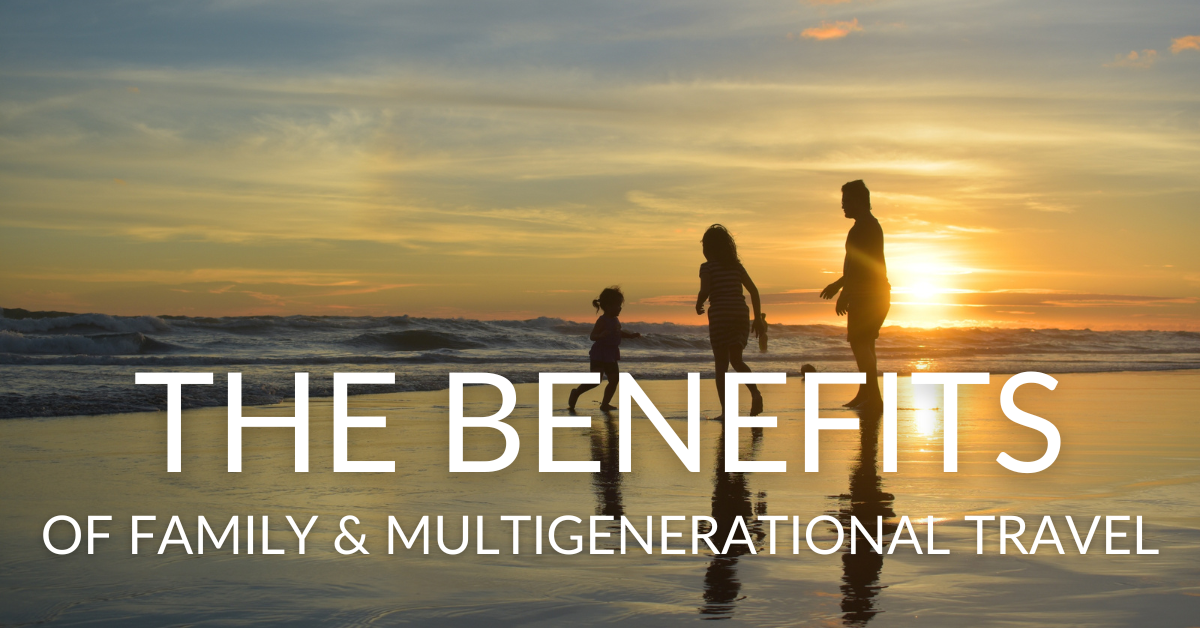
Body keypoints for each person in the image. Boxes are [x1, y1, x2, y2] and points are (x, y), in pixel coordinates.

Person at [820, 180, 891, 411]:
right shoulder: (867, 226)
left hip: (868, 295)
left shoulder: (864, 228)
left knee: (860, 344)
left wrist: (843, 291)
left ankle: (874, 398)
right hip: (875, 294)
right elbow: (855, 265)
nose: (843, 206)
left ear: (860, 201)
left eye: (846, 201)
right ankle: (867, 393)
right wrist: (841, 286)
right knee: (866, 344)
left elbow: (859, 267)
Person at [695, 224, 766, 420]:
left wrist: (699, 303)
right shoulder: (736, 266)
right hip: (739, 314)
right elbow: (754, 291)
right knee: (737, 360)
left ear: (708, 249)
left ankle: (727, 412)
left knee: (721, 365)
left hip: (720, 316)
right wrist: (758, 318)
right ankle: (755, 393)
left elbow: (705, 290)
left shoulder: (707, 267)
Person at [569, 286, 641, 412]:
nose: (620, 308)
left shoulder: (615, 320)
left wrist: (630, 336)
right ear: (608, 307)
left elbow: (618, 332)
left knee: (614, 379)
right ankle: (576, 392)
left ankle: (605, 404)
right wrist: (600, 335)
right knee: (596, 380)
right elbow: (592, 336)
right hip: (600, 353)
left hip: (611, 354)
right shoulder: (602, 321)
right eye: (618, 305)